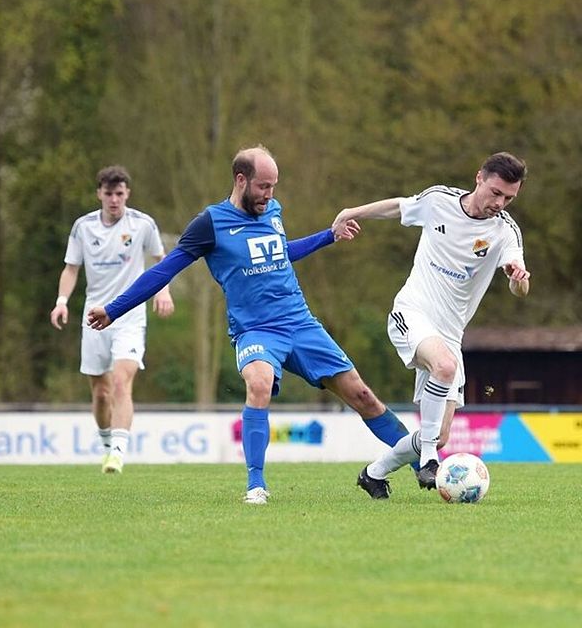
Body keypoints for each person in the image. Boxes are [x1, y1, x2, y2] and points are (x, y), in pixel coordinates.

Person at [87, 146, 411, 504]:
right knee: (258, 383)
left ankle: (423, 462)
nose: (269, 195)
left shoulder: (272, 210)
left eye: (273, 186)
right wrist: (115, 309)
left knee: (362, 396)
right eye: (263, 186)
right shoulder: (209, 224)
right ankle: (256, 485)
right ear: (241, 180)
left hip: (300, 323)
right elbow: (165, 270)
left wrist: (327, 236)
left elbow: (279, 253)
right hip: (255, 330)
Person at [332, 151, 531, 499]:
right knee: (444, 368)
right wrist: (353, 212)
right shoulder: (439, 201)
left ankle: (374, 474)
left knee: (437, 433)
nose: (499, 203)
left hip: (449, 334)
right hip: (412, 312)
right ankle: (429, 461)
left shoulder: (505, 232)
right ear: (479, 178)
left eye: (509, 198)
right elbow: (398, 207)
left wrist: (518, 278)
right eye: (495, 193)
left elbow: (520, 287)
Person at [50, 165, 175, 475]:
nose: (114, 200)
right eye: (109, 194)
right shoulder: (83, 227)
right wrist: (62, 302)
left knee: (121, 381)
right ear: (99, 194)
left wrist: (164, 292)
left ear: (127, 194)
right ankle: (107, 444)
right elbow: (70, 268)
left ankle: (118, 453)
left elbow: (162, 262)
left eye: (120, 194)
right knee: (101, 392)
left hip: (130, 314)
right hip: (94, 315)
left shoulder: (143, 224)